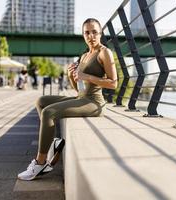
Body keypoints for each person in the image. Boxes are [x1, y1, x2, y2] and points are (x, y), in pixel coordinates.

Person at [18, 18, 117, 181]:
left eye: (94, 32)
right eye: (87, 32)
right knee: (41, 101)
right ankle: (51, 144)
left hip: (94, 103)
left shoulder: (104, 52)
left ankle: (40, 163)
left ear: (100, 33)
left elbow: (113, 83)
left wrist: (87, 76)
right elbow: (79, 88)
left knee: (49, 112)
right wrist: (72, 75)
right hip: (81, 97)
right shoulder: (85, 55)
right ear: (83, 34)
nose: (91, 36)